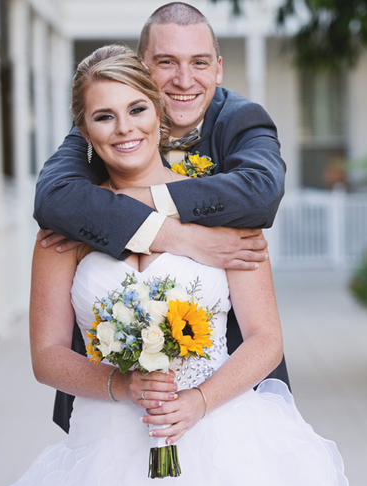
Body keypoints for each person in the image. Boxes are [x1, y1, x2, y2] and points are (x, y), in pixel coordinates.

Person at [0, 44, 346, 486]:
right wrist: (122, 384)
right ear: (84, 131)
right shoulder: (66, 229)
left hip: (224, 438)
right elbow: (47, 357)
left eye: (136, 109)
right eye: (104, 116)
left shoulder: (223, 212)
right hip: (105, 447)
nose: (124, 128)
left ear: (159, 111)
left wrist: (199, 400)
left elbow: (265, 340)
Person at [34, 3, 291, 433]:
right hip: (107, 422)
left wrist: (138, 197)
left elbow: (261, 194)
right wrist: (182, 238)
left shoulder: (240, 137)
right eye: (167, 62)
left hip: (223, 407)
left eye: (199, 63)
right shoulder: (83, 165)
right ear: (144, 67)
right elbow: (53, 199)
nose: (184, 80)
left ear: (218, 68)